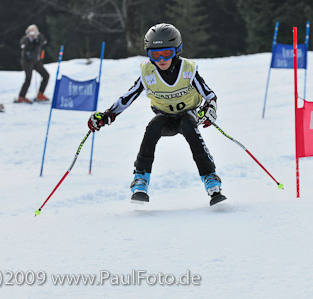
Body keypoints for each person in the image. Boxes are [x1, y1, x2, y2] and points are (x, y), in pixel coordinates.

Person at [88, 23, 226, 206]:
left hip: (189, 114)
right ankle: (140, 180)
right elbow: (127, 98)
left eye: (166, 53)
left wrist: (211, 108)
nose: (161, 59)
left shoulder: (188, 70)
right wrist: (107, 115)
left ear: (177, 51)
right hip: (166, 117)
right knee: (153, 127)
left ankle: (211, 179)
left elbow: (210, 95)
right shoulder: (148, 72)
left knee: (187, 125)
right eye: (154, 54)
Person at [16, 24, 49, 104]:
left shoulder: (38, 39)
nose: (32, 33)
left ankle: (40, 94)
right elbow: (23, 44)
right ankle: (21, 96)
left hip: (36, 61)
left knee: (46, 75)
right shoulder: (26, 39)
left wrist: (38, 35)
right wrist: (29, 37)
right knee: (28, 79)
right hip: (27, 61)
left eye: (34, 31)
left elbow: (44, 41)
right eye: (31, 31)